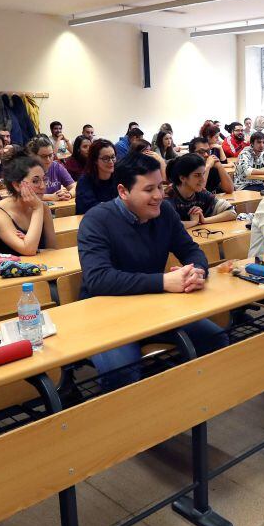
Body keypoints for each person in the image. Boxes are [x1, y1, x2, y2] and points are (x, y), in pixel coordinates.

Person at [77, 153, 228, 386]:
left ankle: (189, 404)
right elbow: (98, 279)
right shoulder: (96, 220)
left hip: (155, 308)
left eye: (160, 186)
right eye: (149, 189)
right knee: (123, 372)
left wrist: (196, 272)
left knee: (216, 338)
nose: (159, 195)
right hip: (107, 316)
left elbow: (192, 250)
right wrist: (164, 282)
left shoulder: (165, 213)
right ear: (123, 191)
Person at [0, 156, 56, 257]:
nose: (43, 186)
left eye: (44, 180)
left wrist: (30, 241)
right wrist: (37, 209)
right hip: (9, 271)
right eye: (35, 181)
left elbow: (52, 250)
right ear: (17, 185)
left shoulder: (43, 208)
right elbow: (29, 250)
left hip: (42, 268)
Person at [165, 154, 236, 225]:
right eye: (197, 175)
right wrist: (193, 222)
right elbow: (168, 225)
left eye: (203, 173)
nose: (202, 179)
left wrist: (204, 220)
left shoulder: (201, 193)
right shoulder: (168, 196)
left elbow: (231, 213)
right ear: (182, 178)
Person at [75, 138, 118, 215]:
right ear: (95, 160)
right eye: (106, 158)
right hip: (92, 222)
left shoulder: (119, 177)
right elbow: (89, 207)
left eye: (113, 157)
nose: (111, 162)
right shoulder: (85, 181)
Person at [26, 136, 75, 200]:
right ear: (33, 156)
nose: (48, 160)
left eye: (50, 155)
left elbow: (75, 187)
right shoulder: (26, 169)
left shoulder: (56, 167)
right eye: (43, 156)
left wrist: (69, 194)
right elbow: (23, 194)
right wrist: (51, 197)